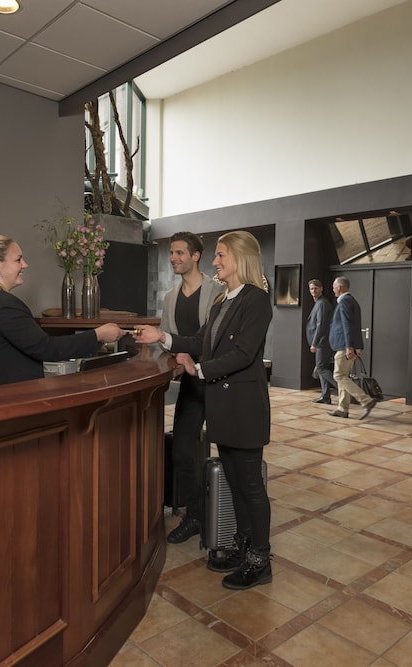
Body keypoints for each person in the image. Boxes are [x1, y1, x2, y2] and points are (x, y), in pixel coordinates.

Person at [134, 230, 273, 590]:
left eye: (221, 255)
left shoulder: (256, 300)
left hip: (243, 407)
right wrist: (161, 337)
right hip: (224, 406)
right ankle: (243, 547)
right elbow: (200, 341)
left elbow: (243, 354)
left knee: (250, 486)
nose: (215, 261)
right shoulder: (223, 301)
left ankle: (260, 560)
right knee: (235, 482)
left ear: (240, 258)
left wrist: (198, 369)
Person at [0, 234, 125, 392]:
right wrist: (98, 335)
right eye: (18, 260)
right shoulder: (3, 304)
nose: (25, 265)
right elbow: (46, 348)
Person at [160, 232, 226, 544]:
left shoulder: (218, 291)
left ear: (195, 256)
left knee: (229, 453)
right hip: (190, 384)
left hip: (219, 382)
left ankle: (226, 518)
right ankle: (196, 516)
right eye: (171, 253)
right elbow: (166, 339)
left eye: (179, 253)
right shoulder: (170, 297)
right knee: (183, 452)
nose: (173, 258)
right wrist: (173, 357)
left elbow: (214, 339)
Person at [327, 276, 376, 420]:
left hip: (345, 346)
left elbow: (347, 325)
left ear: (339, 287)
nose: (333, 289)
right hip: (348, 345)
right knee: (343, 376)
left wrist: (349, 346)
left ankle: (366, 401)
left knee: (339, 376)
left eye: (334, 286)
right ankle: (342, 409)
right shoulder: (351, 301)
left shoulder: (345, 302)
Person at [305, 278, 337, 404]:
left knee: (321, 368)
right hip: (322, 342)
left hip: (322, 342)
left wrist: (315, 343)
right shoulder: (318, 302)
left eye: (316, 288)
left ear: (321, 289)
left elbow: (321, 325)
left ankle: (342, 388)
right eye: (311, 289)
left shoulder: (322, 303)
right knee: (321, 367)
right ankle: (325, 396)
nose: (313, 291)